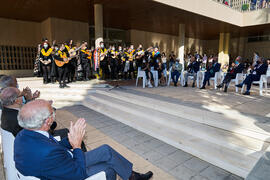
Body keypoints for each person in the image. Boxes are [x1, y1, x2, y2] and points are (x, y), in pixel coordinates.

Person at [14, 99, 153, 180]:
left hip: (59, 164)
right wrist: (77, 146)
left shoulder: (24, 134)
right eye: (53, 111)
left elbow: (53, 147)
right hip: (68, 171)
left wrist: (70, 139)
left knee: (106, 151)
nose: (54, 113)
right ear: (48, 121)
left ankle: (132, 176)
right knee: (108, 169)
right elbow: (78, 173)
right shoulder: (47, 152)